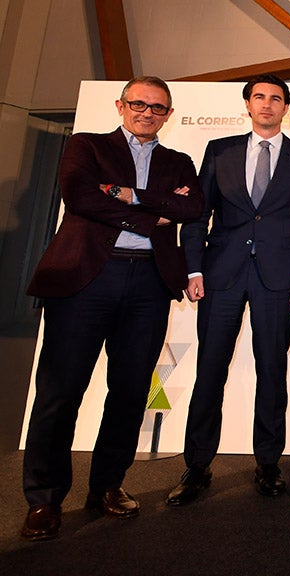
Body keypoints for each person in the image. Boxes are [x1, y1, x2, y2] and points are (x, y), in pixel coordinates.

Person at [21, 77, 203, 540]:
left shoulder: (178, 161)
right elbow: (80, 197)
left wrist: (124, 194)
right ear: (121, 105)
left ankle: (107, 486)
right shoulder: (86, 145)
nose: (147, 112)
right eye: (138, 103)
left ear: (168, 115)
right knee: (60, 392)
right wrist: (152, 214)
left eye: (157, 107)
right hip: (86, 279)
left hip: (148, 282)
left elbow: (191, 209)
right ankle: (43, 499)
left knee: (128, 392)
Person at [169, 74, 290, 506]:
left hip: (279, 279)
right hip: (221, 275)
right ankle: (197, 467)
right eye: (260, 97)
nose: (268, 104)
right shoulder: (220, 151)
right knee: (210, 370)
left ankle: (268, 464)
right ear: (248, 104)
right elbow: (198, 215)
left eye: (276, 99)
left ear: (286, 108)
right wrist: (194, 269)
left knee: (272, 371)